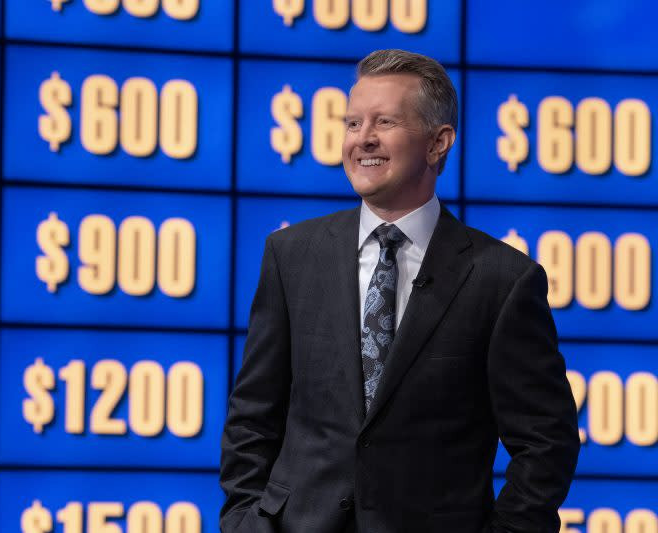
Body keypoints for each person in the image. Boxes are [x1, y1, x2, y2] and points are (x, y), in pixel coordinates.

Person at [219, 49, 580, 533]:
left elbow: (546, 442)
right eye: (352, 124)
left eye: (384, 121)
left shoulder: (502, 280)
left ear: (438, 143)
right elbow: (253, 417)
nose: (363, 138)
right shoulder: (292, 255)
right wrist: (245, 520)